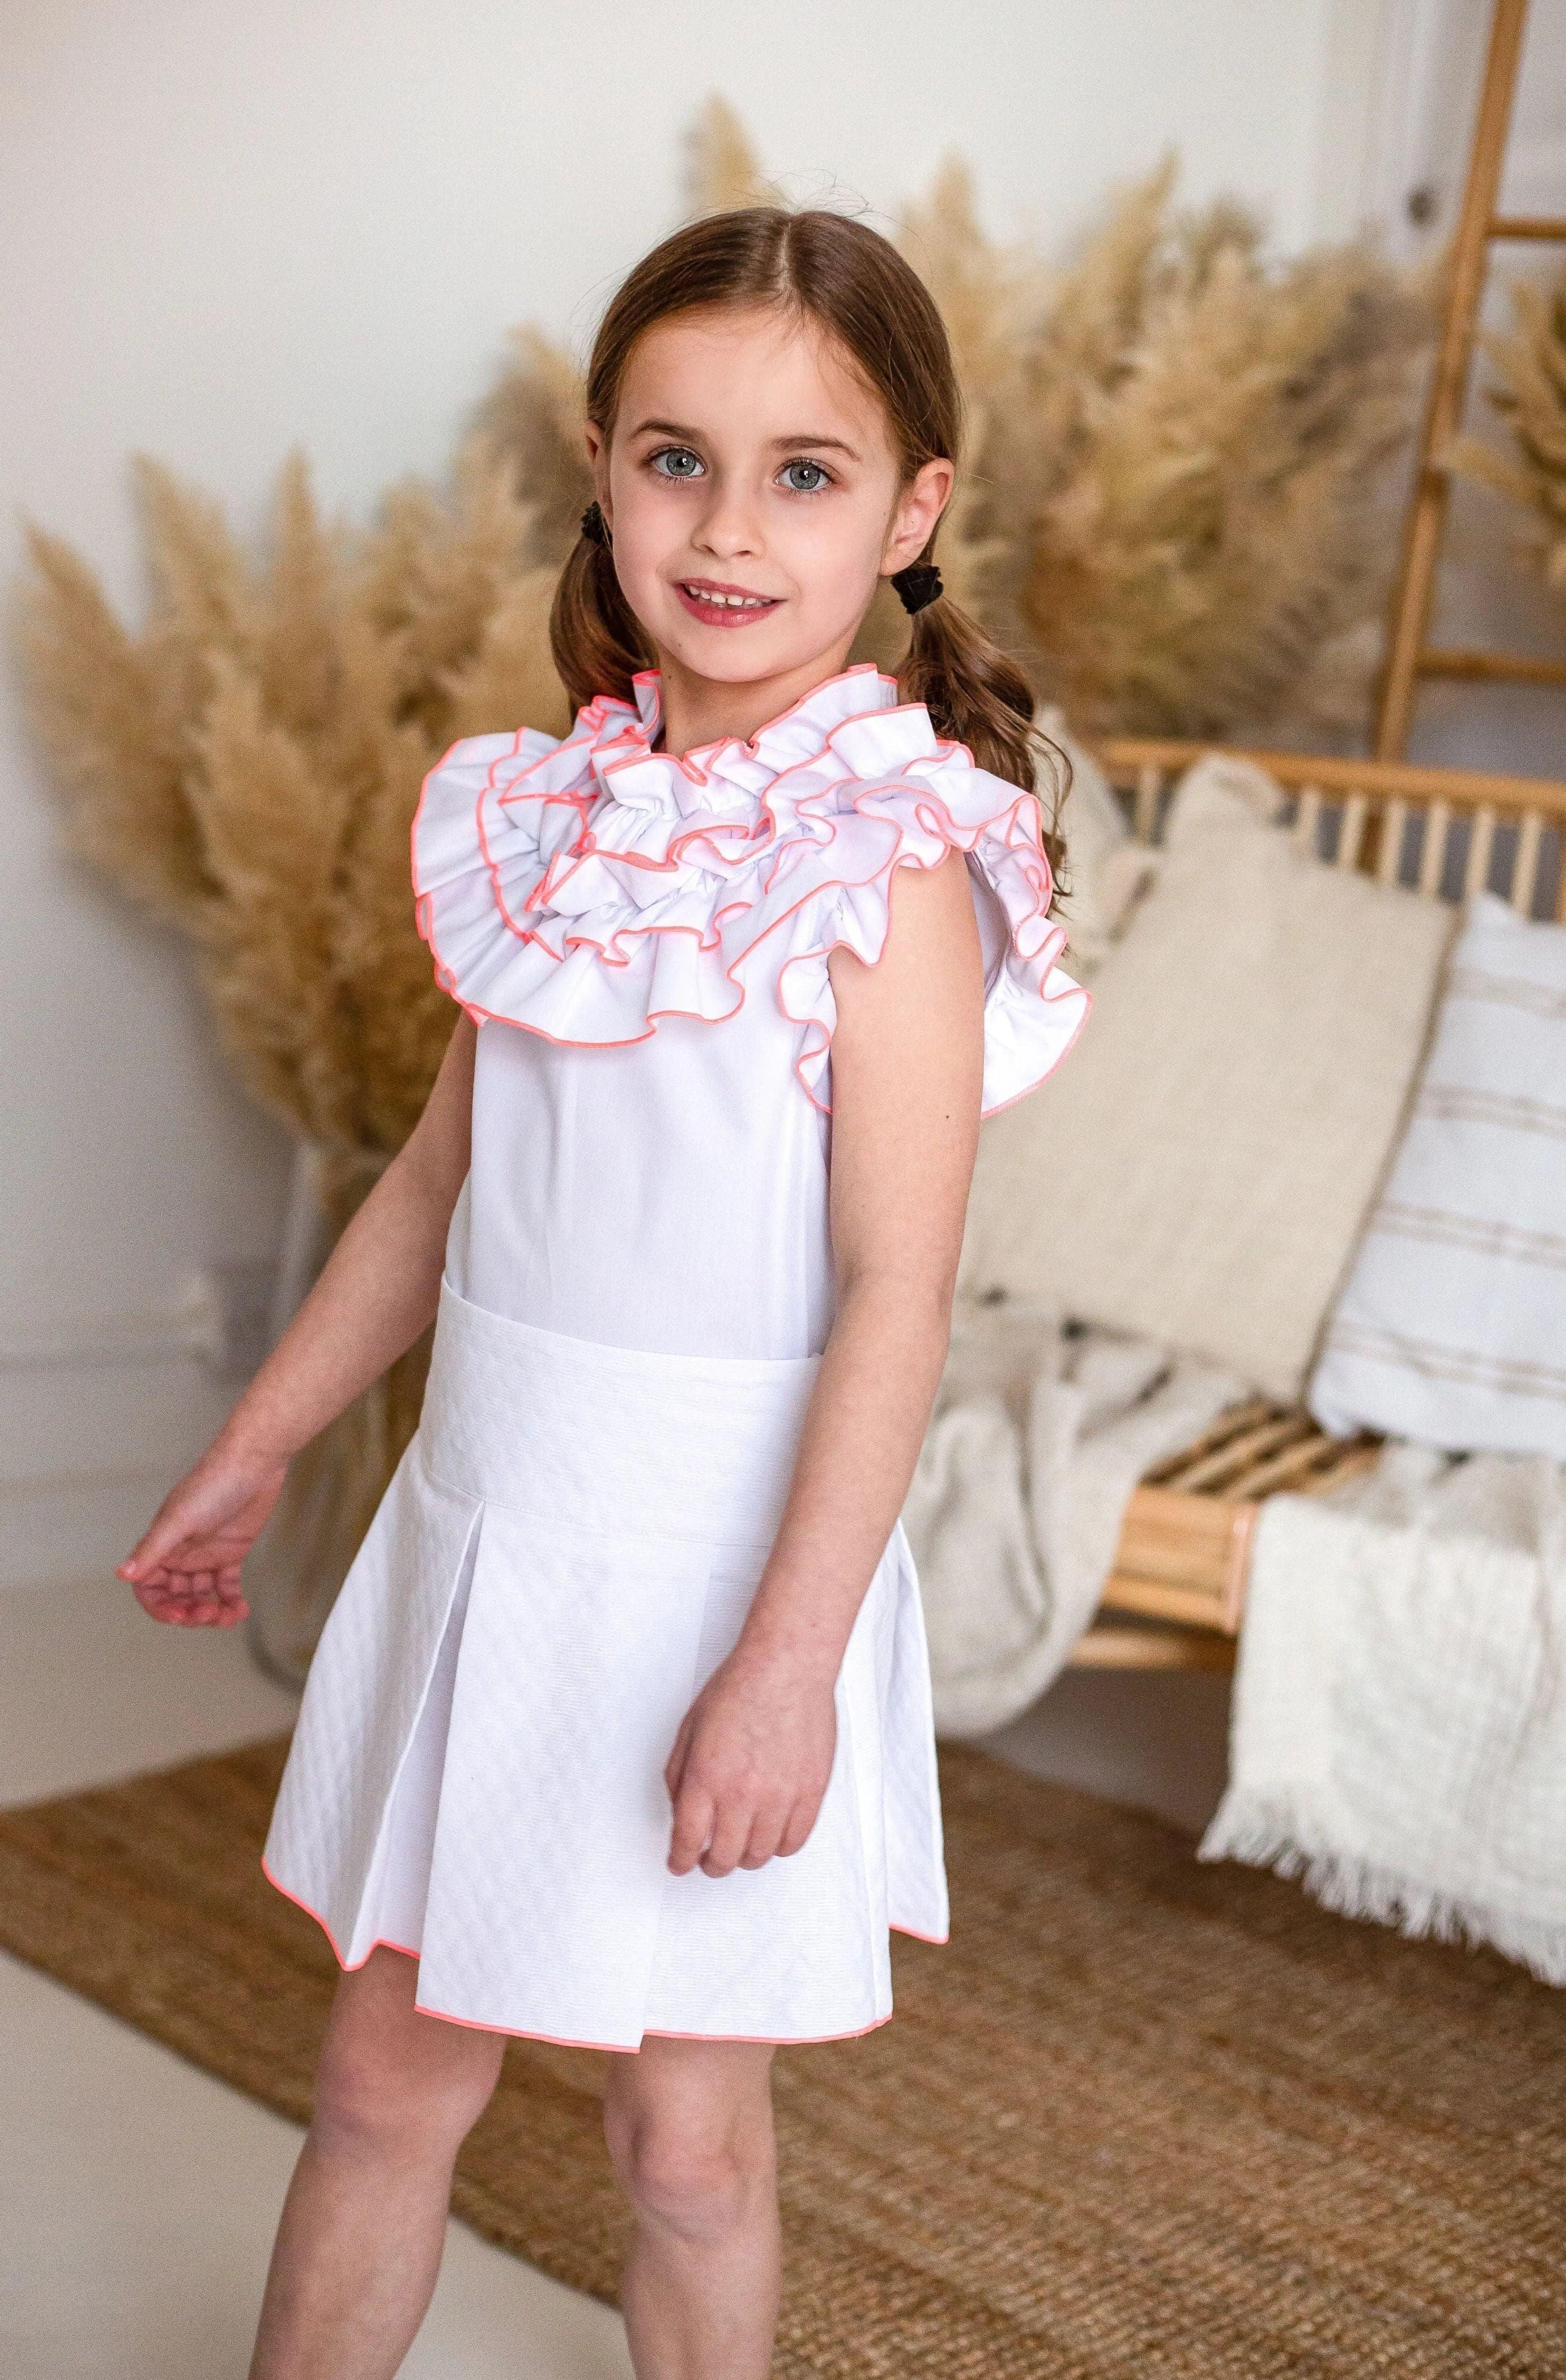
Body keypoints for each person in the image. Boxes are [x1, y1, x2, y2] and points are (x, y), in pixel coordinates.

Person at [117, 204, 1090, 2380]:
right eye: (673, 458)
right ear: (597, 464)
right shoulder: (561, 810)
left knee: (683, 2138)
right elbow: (438, 1184)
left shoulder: (892, 864)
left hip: (717, 1571)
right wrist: (256, 1445)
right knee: (382, 2081)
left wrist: (781, 1667)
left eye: (803, 473)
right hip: (492, 1539)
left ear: (912, 506)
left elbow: (894, 1296)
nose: (726, 527)